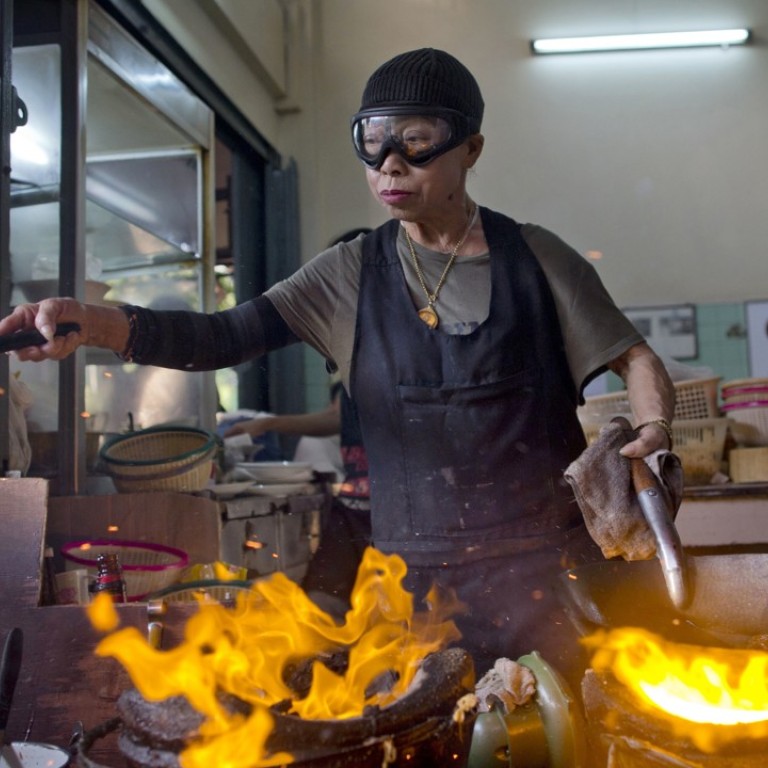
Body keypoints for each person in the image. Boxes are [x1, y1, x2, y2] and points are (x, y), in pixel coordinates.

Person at [0, 48, 675, 688]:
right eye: (372, 139)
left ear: (470, 149)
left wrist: (654, 427)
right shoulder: (349, 273)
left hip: (551, 580)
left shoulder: (537, 258)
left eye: (415, 140)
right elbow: (219, 337)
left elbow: (636, 358)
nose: (389, 163)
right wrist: (94, 322)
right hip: (420, 596)